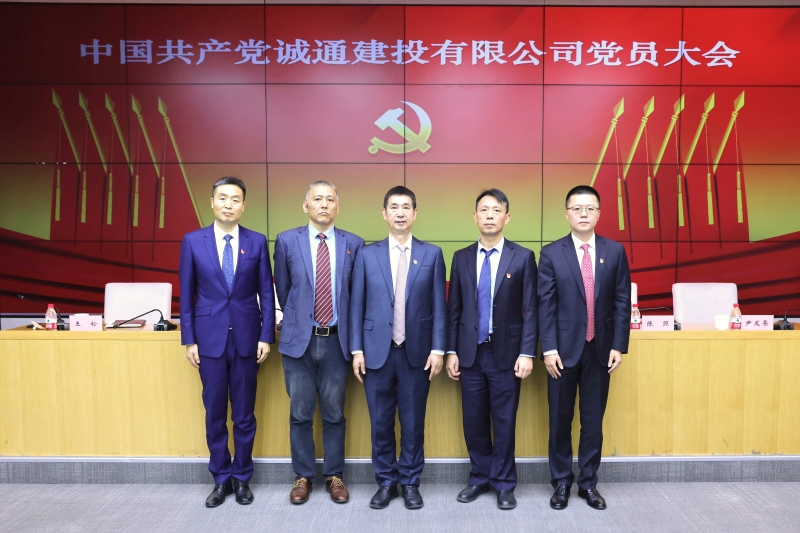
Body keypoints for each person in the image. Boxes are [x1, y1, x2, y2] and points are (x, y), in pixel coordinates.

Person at [179, 177, 275, 508]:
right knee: (215, 413)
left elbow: (266, 293)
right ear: (212, 202)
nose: (229, 204)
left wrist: (266, 336)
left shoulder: (257, 241)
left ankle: (242, 477)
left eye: (235, 199)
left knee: (245, 415)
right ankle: (221, 478)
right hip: (208, 341)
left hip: (248, 340)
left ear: (244, 206)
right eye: (223, 198)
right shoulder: (193, 241)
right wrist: (189, 340)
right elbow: (187, 296)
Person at [349, 185, 446, 510]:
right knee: (380, 423)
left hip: (417, 353)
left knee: (413, 423)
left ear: (415, 214)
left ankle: (410, 482)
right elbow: (356, 306)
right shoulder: (367, 254)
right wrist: (357, 349)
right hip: (375, 352)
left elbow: (439, 306)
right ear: (384, 213)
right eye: (394, 207)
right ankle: (386, 483)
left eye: (406, 207)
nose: (400, 213)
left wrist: (438, 349)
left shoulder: (432, 254)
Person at [537, 185, 631, 511]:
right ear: (566, 214)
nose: (583, 214)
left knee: (592, 422)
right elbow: (545, 306)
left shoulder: (614, 251)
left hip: (600, 350)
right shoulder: (551, 253)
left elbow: (621, 300)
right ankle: (562, 482)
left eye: (590, 208)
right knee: (560, 420)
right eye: (577, 209)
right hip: (561, 353)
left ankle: (588, 484)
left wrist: (619, 345)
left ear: (599, 214)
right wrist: (548, 349)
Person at [445, 189, 538, 510]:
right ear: (475, 217)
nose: (489, 215)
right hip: (469, 355)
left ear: (506, 218)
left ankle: (504, 483)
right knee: (473, 421)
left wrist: (527, 352)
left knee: (504, 421)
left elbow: (531, 310)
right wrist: (451, 351)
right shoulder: (460, 257)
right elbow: (454, 310)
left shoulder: (523, 257)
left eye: (495, 210)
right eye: (483, 210)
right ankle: (479, 477)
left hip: (507, 355)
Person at [273, 181, 364, 505]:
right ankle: (303, 476)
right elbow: (284, 290)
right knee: (300, 412)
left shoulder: (354, 243)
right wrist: (301, 320)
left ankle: (334, 475)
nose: (323, 205)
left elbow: (356, 296)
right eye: (317, 199)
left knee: (334, 412)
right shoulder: (286, 241)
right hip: (299, 341)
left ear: (337, 206)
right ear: (306, 205)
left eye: (330, 200)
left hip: (337, 341)